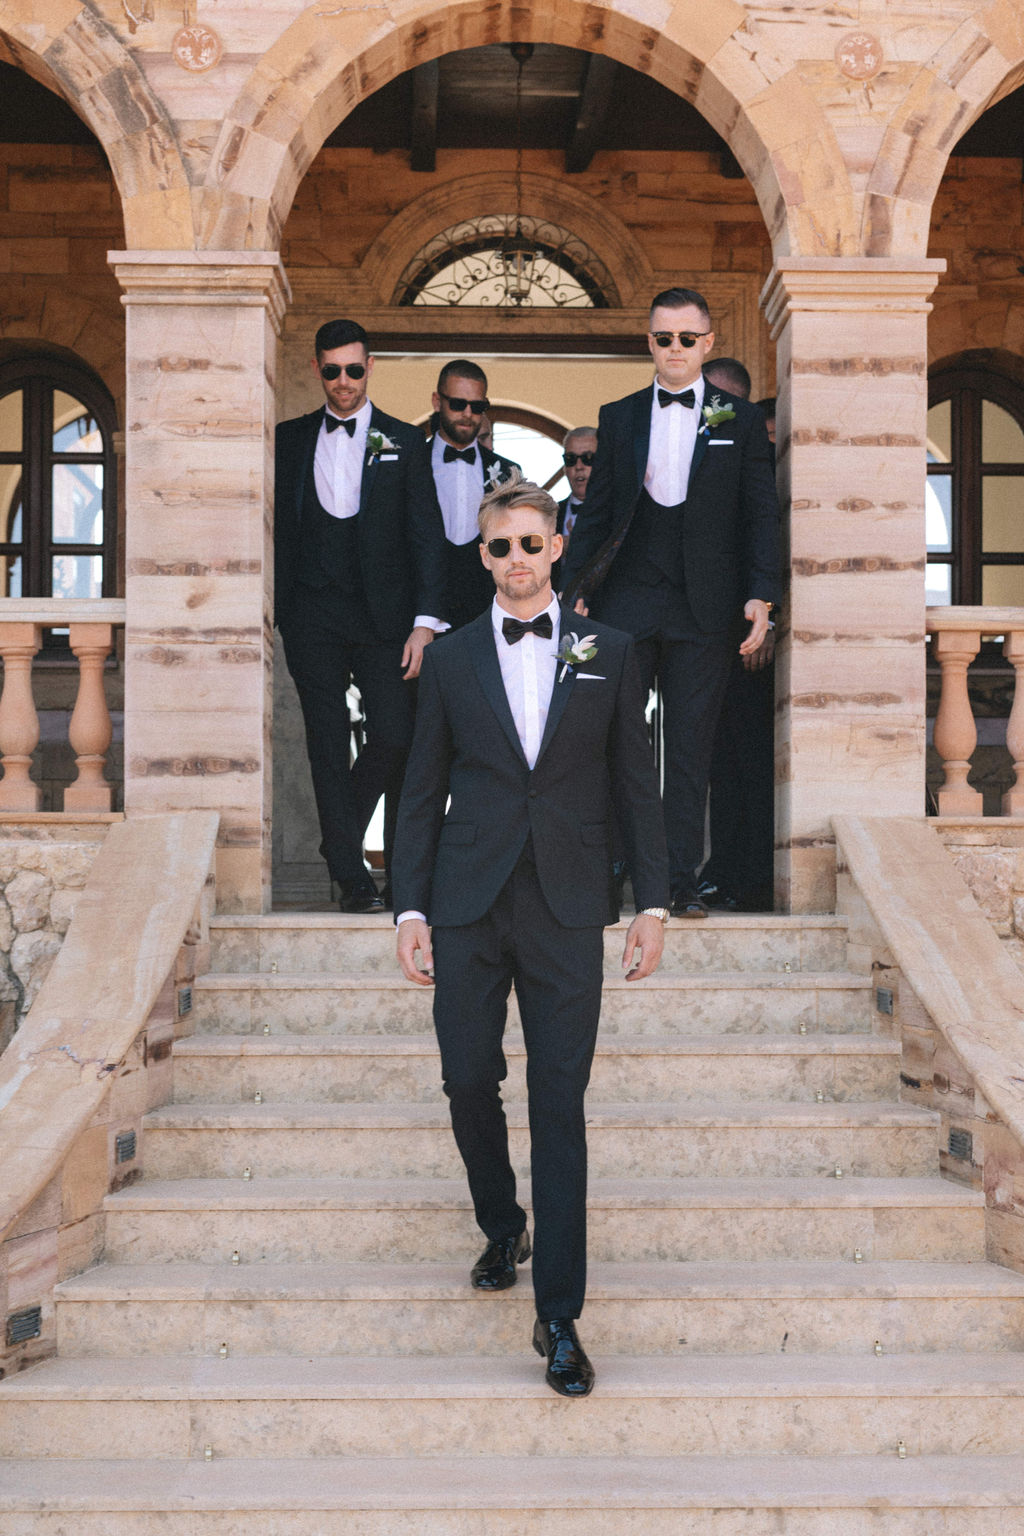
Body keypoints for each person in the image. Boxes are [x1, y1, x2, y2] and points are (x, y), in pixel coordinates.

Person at [393, 469, 670, 1398]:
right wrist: (410, 908)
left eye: (529, 542)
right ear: (484, 556)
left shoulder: (611, 648)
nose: (514, 558)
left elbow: (637, 780)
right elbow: (420, 791)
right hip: (467, 901)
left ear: (555, 548)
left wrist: (653, 902)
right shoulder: (456, 655)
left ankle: (559, 1316)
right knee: (468, 1077)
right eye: (498, 545)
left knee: (560, 1103)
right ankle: (500, 1221)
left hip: (566, 901)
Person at [560, 287, 781, 918]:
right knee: (618, 744)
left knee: (689, 752)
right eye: (664, 338)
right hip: (626, 604)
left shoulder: (737, 421)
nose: (675, 349)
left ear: (708, 344)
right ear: (649, 342)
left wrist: (762, 596)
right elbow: (597, 515)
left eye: (688, 338)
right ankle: (613, 873)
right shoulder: (620, 415)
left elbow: (760, 517)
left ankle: (678, 883)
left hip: (705, 612)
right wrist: (573, 593)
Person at [275, 317, 448, 912]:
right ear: (318, 369)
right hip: (312, 615)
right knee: (324, 742)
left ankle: (339, 839)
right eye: (331, 370)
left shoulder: (406, 440)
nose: (343, 381)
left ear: (369, 367)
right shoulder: (288, 439)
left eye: (353, 369)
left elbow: (427, 536)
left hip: (386, 621)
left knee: (395, 734)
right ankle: (352, 879)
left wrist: (426, 622)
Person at [698, 370, 776, 912]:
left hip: (756, 633)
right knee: (719, 761)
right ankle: (724, 870)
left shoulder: (766, 451)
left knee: (752, 759)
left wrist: (769, 617)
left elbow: (770, 539)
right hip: (709, 630)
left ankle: (752, 877)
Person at [428, 361, 519, 630]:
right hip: (421, 617)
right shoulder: (411, 464)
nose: (467, 414)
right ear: (437, 401)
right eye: (457, 404)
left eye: (477, 406)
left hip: (486, 615)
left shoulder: (507, 471)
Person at [558, 426, 598, 547]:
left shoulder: (621, 513)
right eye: (571, 459)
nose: (579, 466)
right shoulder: (548, 515)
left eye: (588, 458)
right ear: (565, 468)